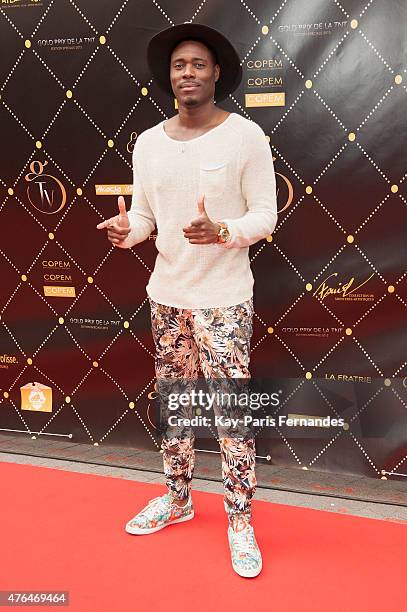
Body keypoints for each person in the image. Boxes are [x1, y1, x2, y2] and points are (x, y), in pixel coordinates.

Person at [97, 23, 277, 578]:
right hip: (168, 295)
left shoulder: (246, 136)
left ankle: (240, 516)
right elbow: (150, 218)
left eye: (198, 63)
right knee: (176, 407)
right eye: (179, 65)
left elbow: (265, 218)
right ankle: (178, 499)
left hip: (224, 299)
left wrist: (221, 230)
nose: (188, 73)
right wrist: (130, 231)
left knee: (229, 414)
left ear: (216, 72)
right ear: (168, 77)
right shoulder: (148, 142)